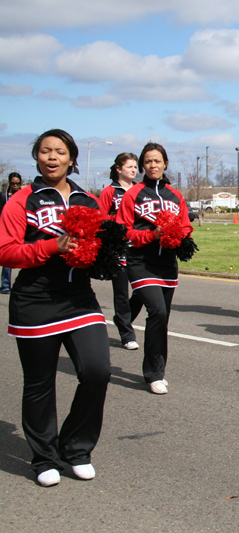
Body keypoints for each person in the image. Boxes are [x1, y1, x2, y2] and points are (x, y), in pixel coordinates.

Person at [0, 129, 111, 486]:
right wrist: (51, 248)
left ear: (71, 158)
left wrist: (108, 258)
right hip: (35, 301)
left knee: (97, 371)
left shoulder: (88, 199)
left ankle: (76, 448)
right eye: (45, 151)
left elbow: (105, 244)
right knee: (40, 384)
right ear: (36, 157)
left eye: (59, 152)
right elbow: (5, 251)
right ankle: (44, 458)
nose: (52, 157)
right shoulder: (22, 199)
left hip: (79, 300)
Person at [117, 143, 192, 394]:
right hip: (141, 262)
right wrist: (151, 235)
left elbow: (185, 226)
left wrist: (179, 237)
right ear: (142, 166)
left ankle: (157, 369)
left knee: (162, 319)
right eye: (148, 161)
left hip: (167, 264)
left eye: (157, 161)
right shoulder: (133, 194)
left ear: (165, 164)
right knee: (157, 312)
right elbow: (123, 230)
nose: (153, 165)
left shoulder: (175, 195)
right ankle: (153, 374)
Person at [98, 153, 140, 350]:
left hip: (138, 247)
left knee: (142, 291)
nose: (134, 170)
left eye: (135, 167)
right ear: (118, 169)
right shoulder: (109, 192)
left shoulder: (141, 190)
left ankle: (122, 318)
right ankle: (127, 333)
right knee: (122, 291)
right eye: (129, 166)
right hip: (118, 248)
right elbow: (100, 219)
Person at [0, 172, 23, 293]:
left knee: (25, 258)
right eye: (13, 183)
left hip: (21, 229)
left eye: (17, 183)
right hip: (6, 229)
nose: (15, 185)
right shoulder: (3, 195)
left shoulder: (23, 196)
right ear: (9, 183)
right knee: (8, 258)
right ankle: (5, 286)